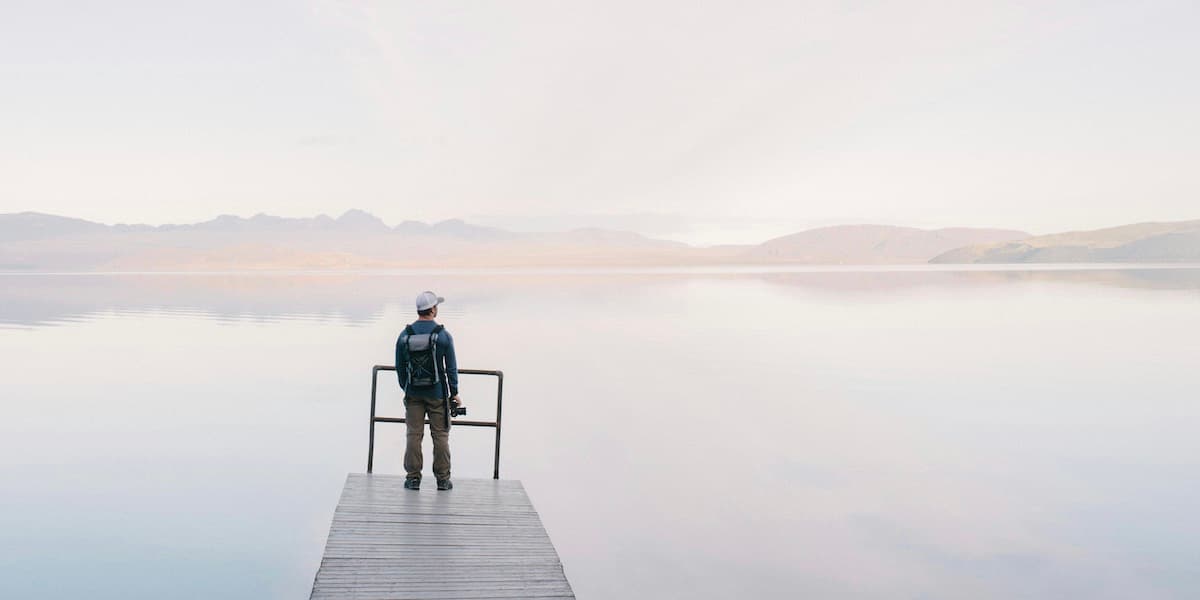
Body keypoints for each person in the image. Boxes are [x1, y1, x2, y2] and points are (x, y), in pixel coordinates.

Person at [395, 291, 462, 491]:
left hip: (413, 393)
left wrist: (407, 387)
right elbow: (451, 368)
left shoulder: (405, 335)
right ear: (433, 309)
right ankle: (442, 479)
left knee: (413, 435)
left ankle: (413, 478)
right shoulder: (443, 335)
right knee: (440, 435)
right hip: (437, 394)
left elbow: (399, 367)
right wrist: (454, 392)